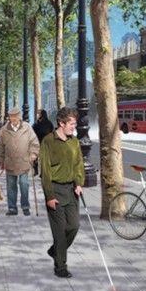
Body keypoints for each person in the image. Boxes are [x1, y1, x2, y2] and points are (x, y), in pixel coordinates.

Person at [40, 107, 84, 278]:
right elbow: (45, 171)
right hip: (55, 190)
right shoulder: (48, 141)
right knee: (59, 233)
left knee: (74, 226)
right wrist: (49, 196)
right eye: (71, 123)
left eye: (75, 123)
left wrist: (79, 183)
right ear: (61, 123)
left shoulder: (75, 142)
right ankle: (60, 267)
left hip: (72, 191)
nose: (74, 126)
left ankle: (55, 251)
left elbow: (79, 164)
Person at [0, 106, 38, 216]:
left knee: (24, 184)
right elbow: (1, 146)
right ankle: (12, 208)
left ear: (19, 116)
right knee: (11, 186)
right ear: (9, 117)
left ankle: (25, 206)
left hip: (24, 161)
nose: (14, 118)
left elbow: (34, 142)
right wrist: (1, 160)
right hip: (10, 162)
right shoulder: (4, 130)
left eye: (15, 116)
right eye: (11, 116)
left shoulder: (27, 128)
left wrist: (33, 154)